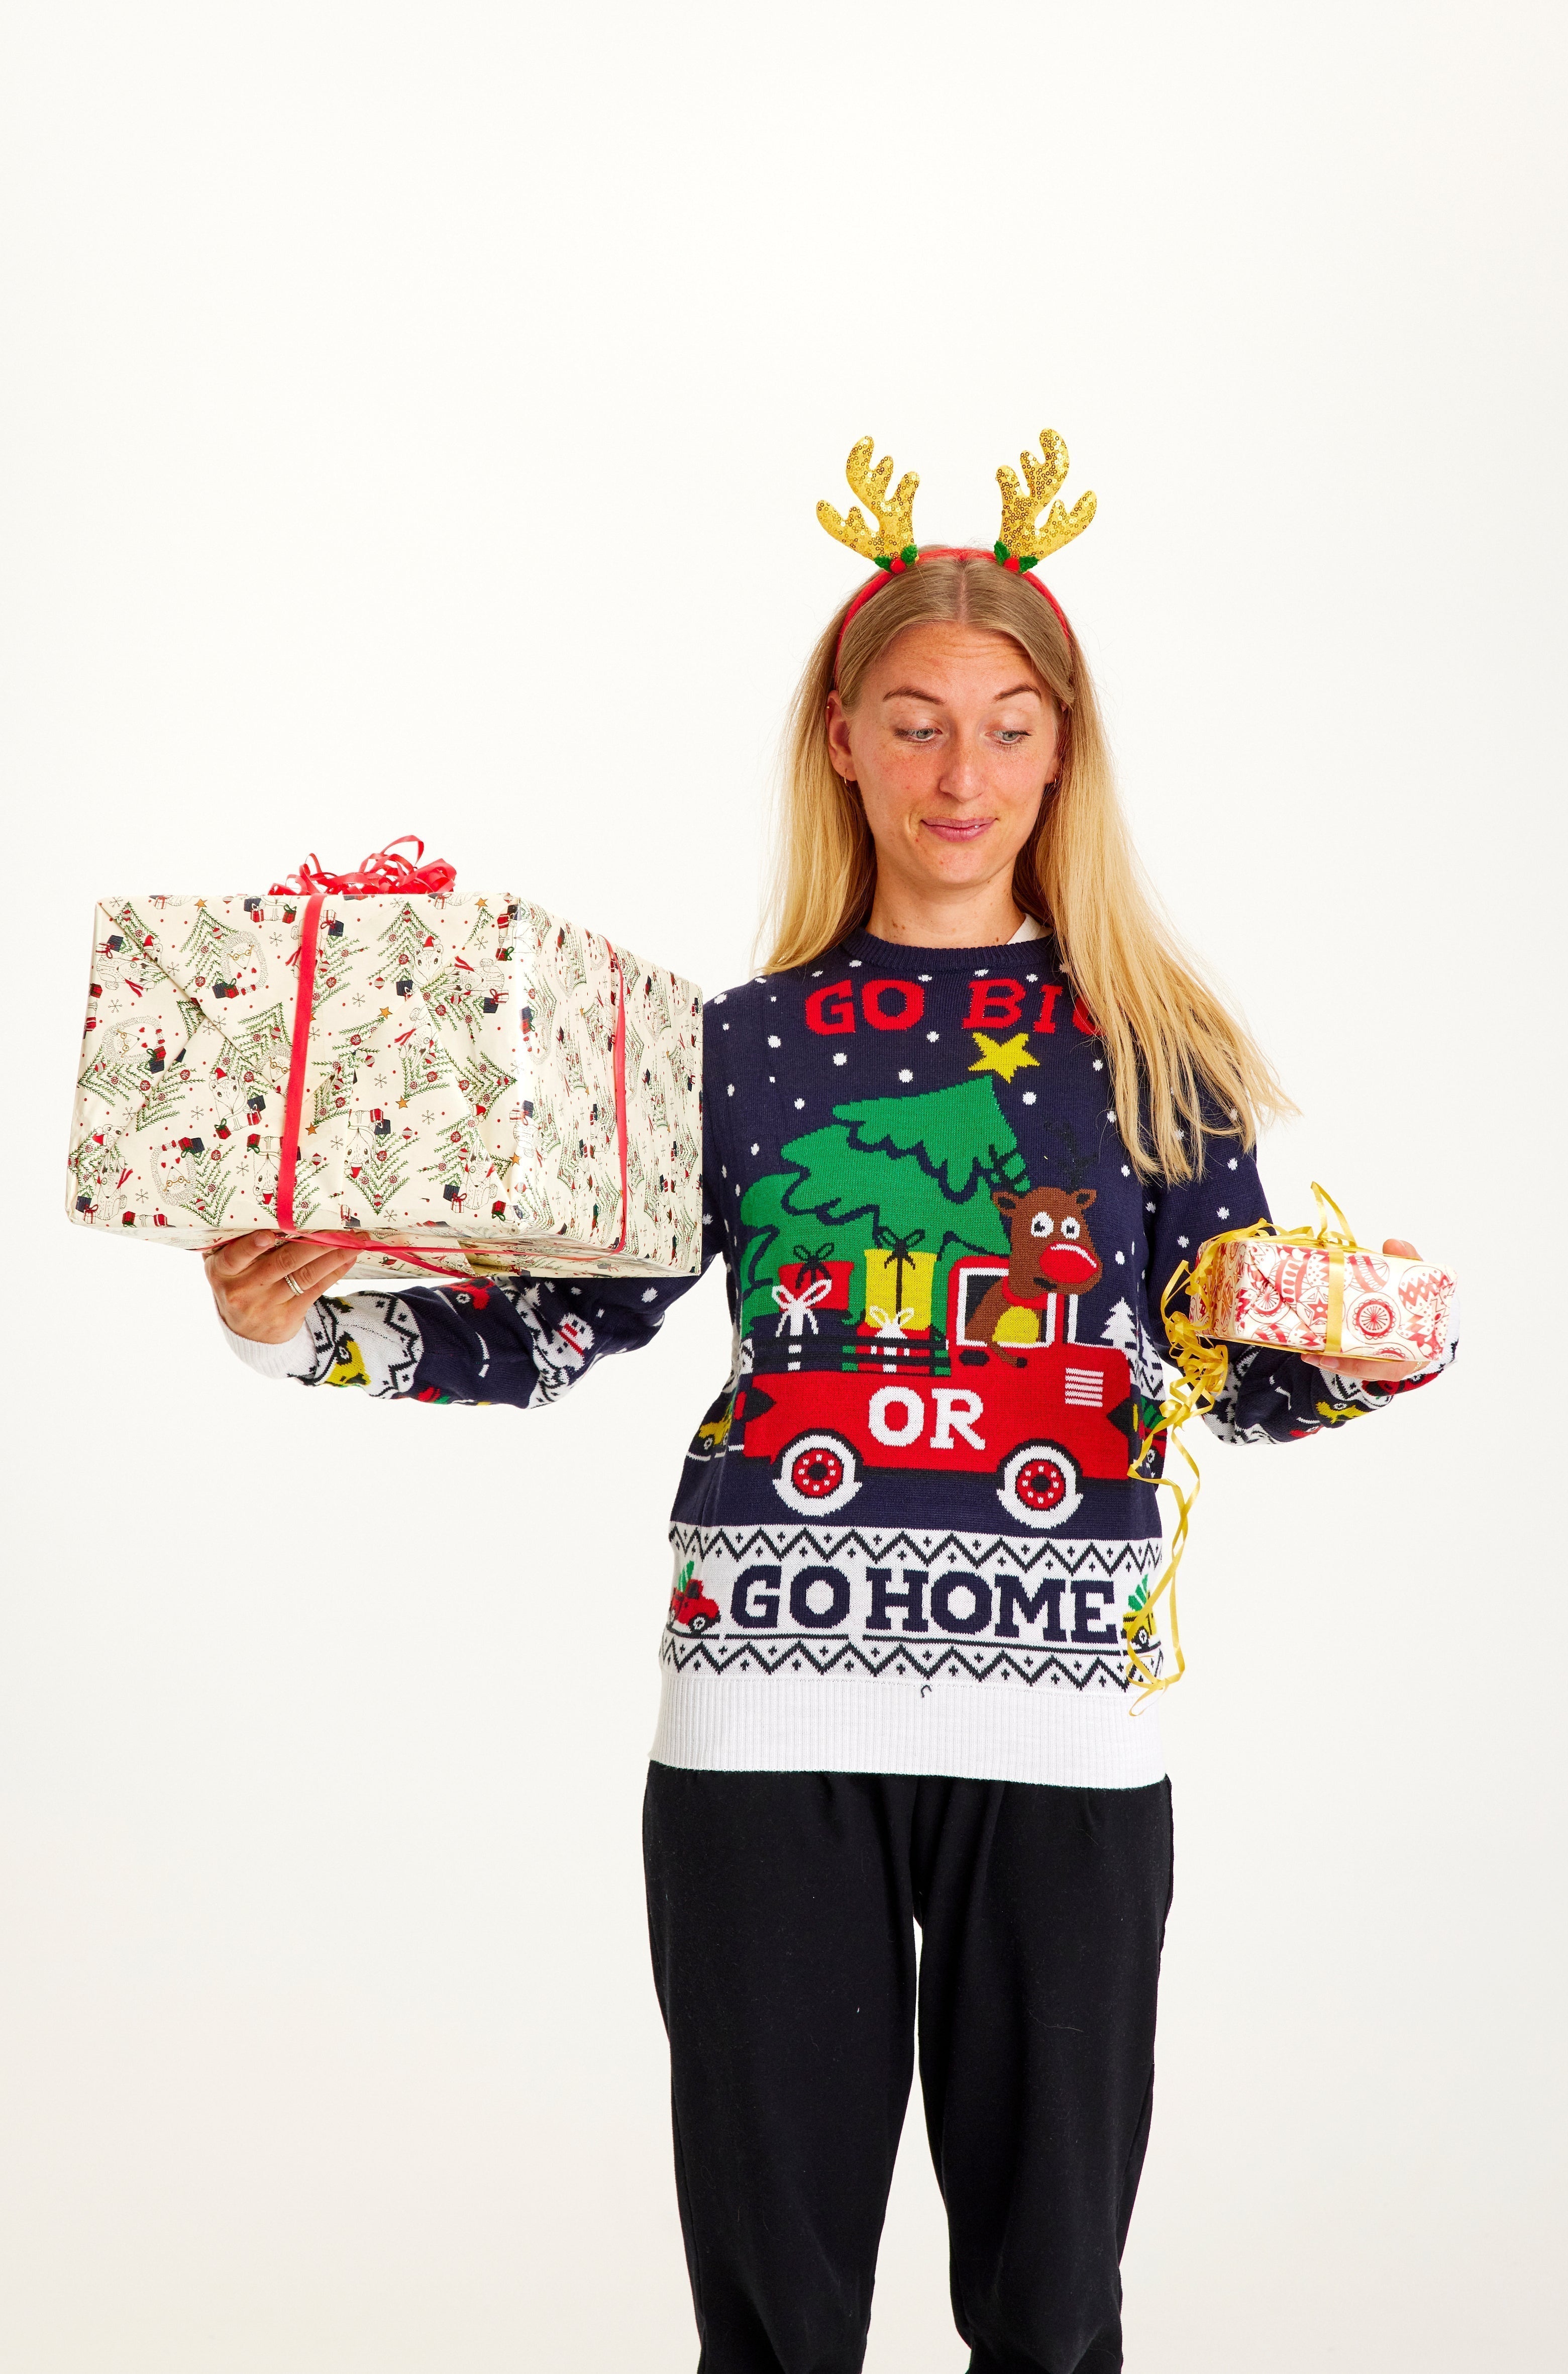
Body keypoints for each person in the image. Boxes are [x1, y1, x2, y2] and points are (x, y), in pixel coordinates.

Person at [207, 432, 1451, 2374]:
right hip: (762, 1716)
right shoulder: (731, 1045)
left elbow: (1231, 1372)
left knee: (1053, 2319)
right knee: (778, 2327)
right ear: (846, 742)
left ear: (1063, 753)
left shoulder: (1155, 1050)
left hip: (1067, 1741)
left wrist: (1369, 1361)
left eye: (1009, 726)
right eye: (918, 720)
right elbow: (562, 1331)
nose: (965, 773)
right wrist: (310, 1329)